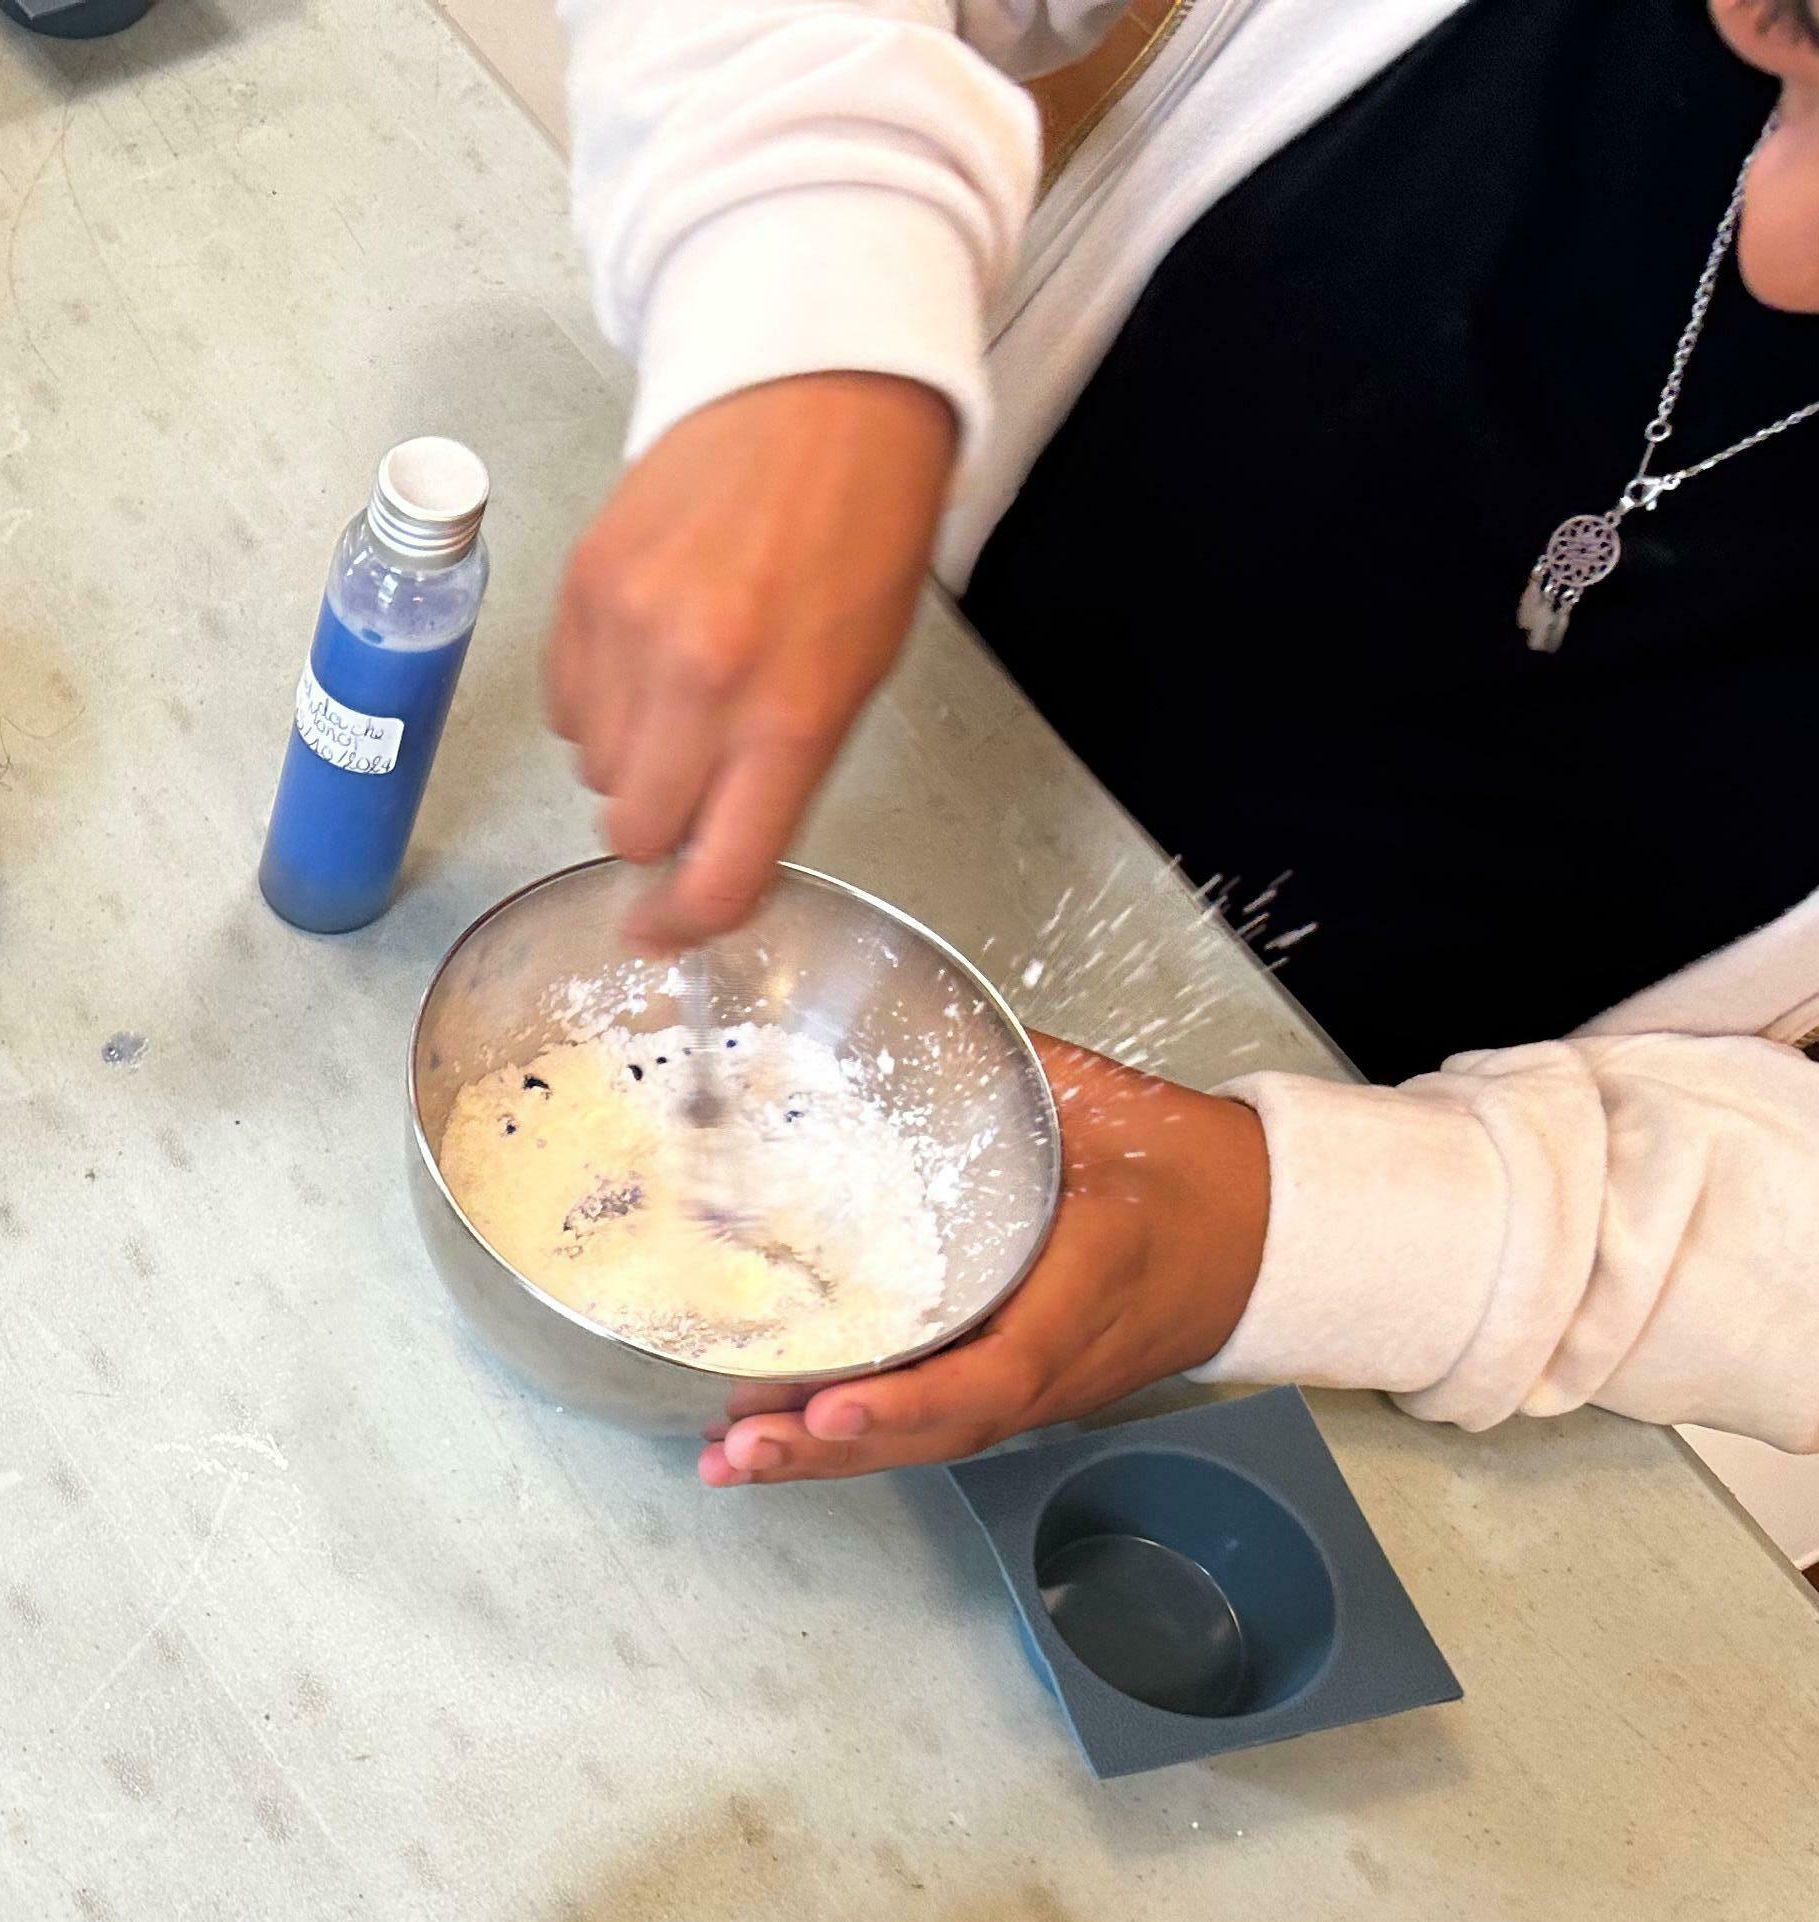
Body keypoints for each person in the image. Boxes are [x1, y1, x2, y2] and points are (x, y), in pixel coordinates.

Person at [543, 0, 1819, 1483]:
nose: (1784, 228)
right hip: (893, 800)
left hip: (1360, 1339)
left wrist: (1332, 1231)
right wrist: (805, 302)